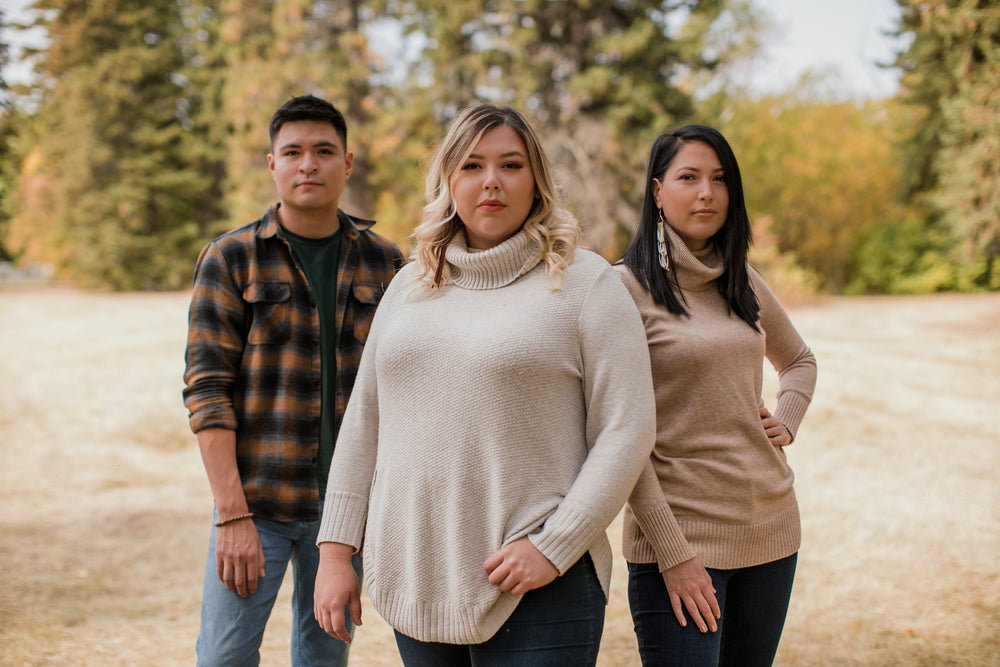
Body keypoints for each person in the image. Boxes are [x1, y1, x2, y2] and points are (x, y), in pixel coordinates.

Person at [311, 103, 656, 666]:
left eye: (511, 165)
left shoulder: (585, 283)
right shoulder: (408, 286)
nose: (491, 181)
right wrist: (334, 552)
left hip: (541, 584)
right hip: (418, 569)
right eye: (471, 165)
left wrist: (555, 545)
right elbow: (365, 422)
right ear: (449, 181)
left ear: (537, 181)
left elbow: (628, 429)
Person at [182, 94, 403, 666]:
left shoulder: (388, 265)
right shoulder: (231, 258)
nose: (309, 164)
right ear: (272, 164)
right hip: (258, 505)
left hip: (348, 510)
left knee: (324, 660)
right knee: (225, 658)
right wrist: (231, 514)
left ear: (347, 164)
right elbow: (207, 392)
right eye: (294, 152)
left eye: (324, 151)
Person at [616, 125, 817, 667]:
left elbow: (798, 360)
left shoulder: (741, 280)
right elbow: (614, 436)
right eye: (689, 178)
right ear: (658, 192)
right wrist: (674, 554)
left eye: (719, 179)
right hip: (678, 542)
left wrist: (787, 418)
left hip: (770, 528)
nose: (707, 192)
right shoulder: (622, 290)